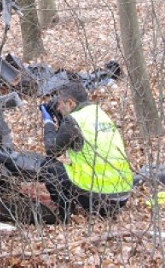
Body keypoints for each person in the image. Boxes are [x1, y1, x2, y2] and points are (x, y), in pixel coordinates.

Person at [38, 81, 133, 222]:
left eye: (60, 104)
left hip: (99, 199)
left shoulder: (74, 120)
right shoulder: (98, 113)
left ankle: (64, 214)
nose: (58, 108)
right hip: (122, 196)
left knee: (48, 166)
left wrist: (48, 123)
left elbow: (52, 151)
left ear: (70, 103)